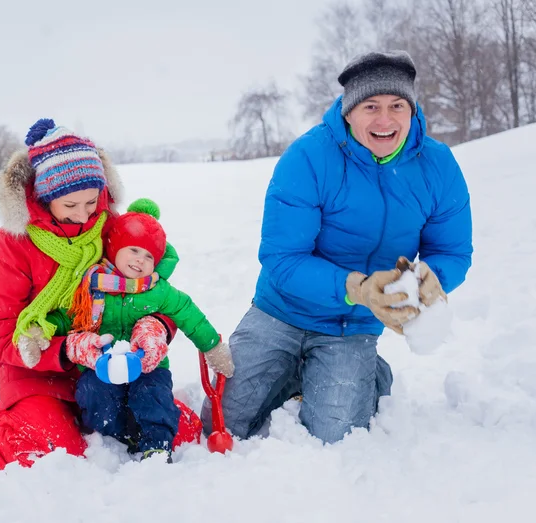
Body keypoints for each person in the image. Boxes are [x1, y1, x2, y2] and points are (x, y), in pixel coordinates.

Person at [202, 50, 473, 444]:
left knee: (333, 436)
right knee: (223, 421)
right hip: (281, 310)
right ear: (348, 112)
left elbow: (453, 251)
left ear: (412, 111)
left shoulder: (437, 165)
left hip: (353, 325)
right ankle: (301, 367)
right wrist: (358, 288)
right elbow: (283, 258)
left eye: (397, 105)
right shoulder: (309, 157)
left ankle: (364, 373)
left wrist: (429, 278)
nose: (385, 120)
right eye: (371, 106)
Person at [0, 119, 179, 469]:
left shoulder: (109, 224)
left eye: (92, 202)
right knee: (56, 455)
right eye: (70, 206)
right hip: (37, 370)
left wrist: (158, 324)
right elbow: (2, 331)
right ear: (44, 198)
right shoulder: (12, 245)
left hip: (106, 366)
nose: (83, 215)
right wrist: (66, 348)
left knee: (174, 429)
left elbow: (155, 288)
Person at [46, 198, 234, 461]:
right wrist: (41, 331)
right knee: (95, 397)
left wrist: (211, 346)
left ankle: (156, 444)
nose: (140, 260)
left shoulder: (158, 291)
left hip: (148, 366)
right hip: (101, 365)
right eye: (133, 250)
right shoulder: (90, 286)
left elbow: (189, 314)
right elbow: (67, 317)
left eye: (148, 256)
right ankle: (118, 435)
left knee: (153, 396)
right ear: (114, 247)